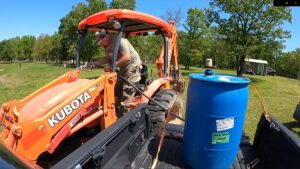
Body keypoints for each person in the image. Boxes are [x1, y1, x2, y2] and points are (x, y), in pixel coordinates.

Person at [89, 29, 142, 118]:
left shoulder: (121, 41)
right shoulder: (108, 46)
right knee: (114, 94)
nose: (100, 44)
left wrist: (111, 66)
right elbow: (107, 58)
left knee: (125, 99)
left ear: (106, 36)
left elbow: (127, 57)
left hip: (132, 69)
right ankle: (114, 115)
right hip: (122, 70)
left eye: (100, 42)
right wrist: (94, 63)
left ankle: (123, 120)